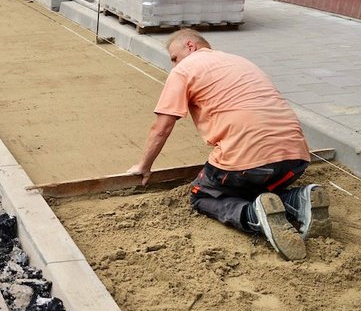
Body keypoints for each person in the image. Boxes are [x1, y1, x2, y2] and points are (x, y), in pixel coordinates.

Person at [128, 29, 330, 261]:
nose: (174, 66)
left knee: (203, 194)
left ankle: (253, 214)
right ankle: (299, 198)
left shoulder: (184, 70)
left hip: (247, 165)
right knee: (258, 186)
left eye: (174, 58)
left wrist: (144, 166)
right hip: (295, 161)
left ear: (191, 46)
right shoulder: (240, 61)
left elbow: (161, 127)